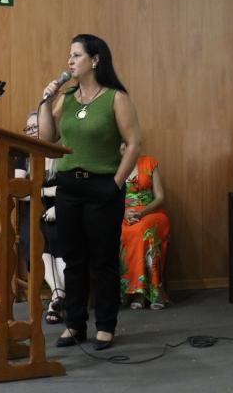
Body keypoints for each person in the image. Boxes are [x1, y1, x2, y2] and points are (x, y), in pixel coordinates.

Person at [38, 34, 141, 350]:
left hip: (102, 187)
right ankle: (75, 324)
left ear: (95, 60)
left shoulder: (115, 98)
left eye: (77, 55)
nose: (70, 61)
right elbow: (46, 138)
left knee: (103, 260)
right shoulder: (65, 99)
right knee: (73, 259)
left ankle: (106, 326)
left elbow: (135, 143)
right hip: (68, 187)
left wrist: (115, 184)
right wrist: (44, 101)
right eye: (69, 55)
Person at [15, 112, 66, 324]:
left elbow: (70, 189)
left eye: (37, 127)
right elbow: (19, 190)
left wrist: (58, 204)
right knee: (37, 241)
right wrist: (47, 193)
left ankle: (58, 298)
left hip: (61, 210)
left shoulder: (60, 154)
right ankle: (59, 296)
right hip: (32, 212)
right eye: (30, 128)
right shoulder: (22, 155)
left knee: (62, 244)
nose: (33, 132)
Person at [119, 146, 170, 310]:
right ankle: (132, 292)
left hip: (151, 212)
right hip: (122, 214)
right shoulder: (113, 166)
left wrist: (142, 213)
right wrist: (123, 212)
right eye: (122, 144)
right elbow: (108, 197)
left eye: (129, 144)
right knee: (122, 231)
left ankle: (148, 292)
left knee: (142, 230)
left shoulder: (149, 162)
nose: (125, 148)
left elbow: (160, 197)